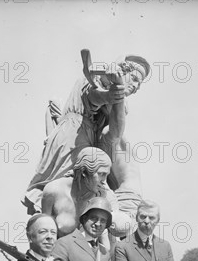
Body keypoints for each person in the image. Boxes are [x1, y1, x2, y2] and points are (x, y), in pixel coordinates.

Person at [22, 54, 150, 234]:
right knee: (66, 187)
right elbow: (94, 96)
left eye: (140, 84)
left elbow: (116, 131)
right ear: (122, 70)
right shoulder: (96, 80)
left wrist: (117, 96)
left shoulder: (119, 101)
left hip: (87, 139)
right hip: (73, 137)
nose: (136, 86)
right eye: (135, 79)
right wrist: (110, 94)